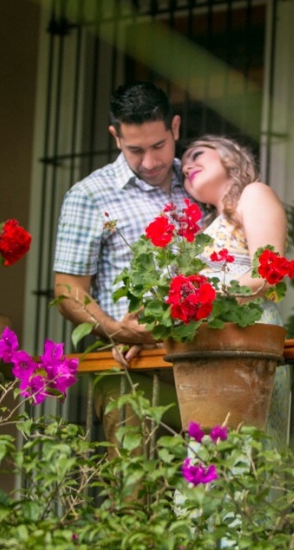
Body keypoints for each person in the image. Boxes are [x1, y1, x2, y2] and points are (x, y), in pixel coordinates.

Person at [53, 81, 192, 448]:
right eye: (135, 150)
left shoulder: (198, 182)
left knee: (209, 494)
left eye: (158, 146)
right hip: (129, 367)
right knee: (136, 495)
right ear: (116, 137)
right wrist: (116, 330)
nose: (149, 162)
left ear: (175, 128)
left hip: (198, 362)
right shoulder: (89, 195)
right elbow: (68, 292)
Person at [181, 135, 291, 448]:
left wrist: (204, 291)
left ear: (230, 156)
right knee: (211, 449)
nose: (187, 165)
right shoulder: (209, 224)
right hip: (214, 338)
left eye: (197, 153)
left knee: (245, 446)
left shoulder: (253, 194)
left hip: (249, 329)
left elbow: (269, 274)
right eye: (184, 164)